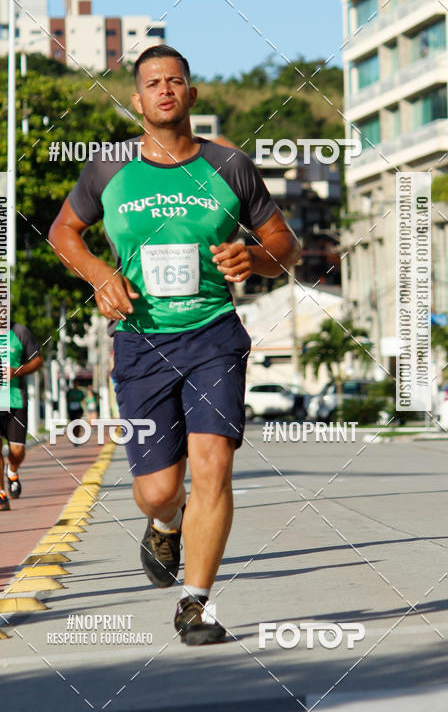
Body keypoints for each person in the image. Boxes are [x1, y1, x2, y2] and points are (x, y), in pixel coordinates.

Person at [49, 45, 301, 644]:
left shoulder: (230, 166)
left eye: (176, 81)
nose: (165, 90)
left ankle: (196, 602)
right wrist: (98, 274)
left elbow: (283, 246)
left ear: (191, 95)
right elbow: (64, 231)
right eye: (152, 83)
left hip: (213, 333)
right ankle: (165, 522)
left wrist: (255, 258)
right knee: (161, 488)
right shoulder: (107, 169)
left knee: (213, 466)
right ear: (137, 101)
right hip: (141, 341)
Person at [0, 321, 43, 511]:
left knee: (17, 451)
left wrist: (17, 371)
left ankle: (12, 471)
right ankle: (0, 494)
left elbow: (37, 359)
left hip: (15, 399)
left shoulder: (19, 331)